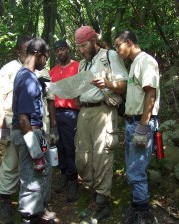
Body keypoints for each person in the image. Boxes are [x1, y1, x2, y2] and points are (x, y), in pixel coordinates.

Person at [73, 26, 128, 223]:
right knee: (82, 158)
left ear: (94, 41)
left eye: (84, 45)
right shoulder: (82, 64)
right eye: (78, 46)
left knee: (102, 156)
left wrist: (107, 83)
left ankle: (101, 202)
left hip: (103, 110)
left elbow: (124, 85)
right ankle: (94, 193)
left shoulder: (110, 56)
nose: (81, 50)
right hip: (84, 111)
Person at [113, 30, 160, 224]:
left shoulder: (145, 61)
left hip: (141, 123)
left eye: (118, 45)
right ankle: (135, 207)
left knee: (136, 171)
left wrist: (143, 125)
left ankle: (145, 214)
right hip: (132, 122)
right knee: (133, 169)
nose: (116, 50)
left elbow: (151, 93)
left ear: (129, 42)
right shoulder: (133, 65)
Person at [11, 38, 55, 224]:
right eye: (45, 58)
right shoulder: (28, 78)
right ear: (37, 54)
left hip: (37, 133)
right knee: (31, 177)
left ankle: (38, 212)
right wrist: (36, 152)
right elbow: (23, 119)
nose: (45, 62)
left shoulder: (28, 76)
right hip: (29, 133)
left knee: (42, 173)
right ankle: (29, 217)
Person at [0, 36, 31, 224]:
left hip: (35, 125)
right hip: (13, 123)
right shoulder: (8, 70)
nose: (30, 55)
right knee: (11, 162)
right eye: (26, 51)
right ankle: (5, 201)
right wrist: (2, 128)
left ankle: (33, 203)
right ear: (18, 52)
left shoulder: (38, 68)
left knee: (34, 162)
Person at [49, 40, 80, 202]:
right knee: (58, 144)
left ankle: (74, 178)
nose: (60, 53)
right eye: (57, 51)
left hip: (73, 112)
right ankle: (64, 174)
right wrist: (52, 121)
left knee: (71, 146)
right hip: (56, 112)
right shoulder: (52, 72)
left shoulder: (78, 67)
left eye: (62, 49)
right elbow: (50, 98)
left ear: (68, 50)